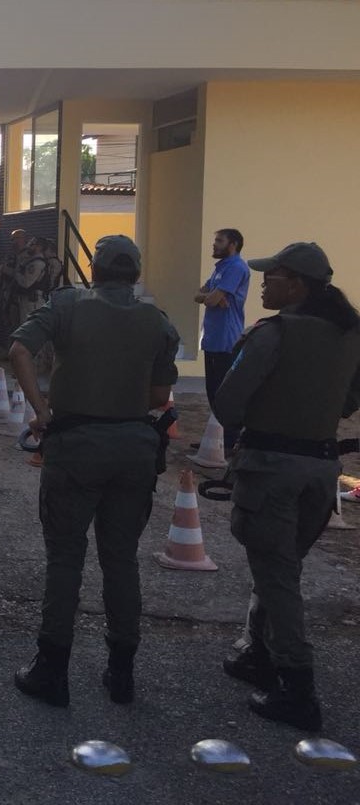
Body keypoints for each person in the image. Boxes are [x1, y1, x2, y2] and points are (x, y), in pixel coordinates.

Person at [8, 235, 179, 708]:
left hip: (76, 445)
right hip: (134, 448)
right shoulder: (156, 321)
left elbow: (20, 349)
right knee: (121, 559)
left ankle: (52, 670)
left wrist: (41, 410)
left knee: (66, 558)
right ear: (136, 273)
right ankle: (121, 672)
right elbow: (158, 396)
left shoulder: (67, 306)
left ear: (95, 269)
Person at [213, 242, 360, 732]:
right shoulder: (349, 333)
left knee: (277, 575)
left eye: (271, 277)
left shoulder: (272, 334)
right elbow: (348, 403)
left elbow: (229, 404)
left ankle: (298, 687)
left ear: (295, 284)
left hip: (272, 468)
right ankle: (258, 651)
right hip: (322, 470)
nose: (263, 284)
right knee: (278, 565)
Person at [195, 228, 250, 451]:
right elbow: (199, 294)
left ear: (233, 244)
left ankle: (229, 440)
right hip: (212, 337)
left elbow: (210, 299)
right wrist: (211, 297)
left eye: (219, 241)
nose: (214, 244)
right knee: (213, 391)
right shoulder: (221, 268)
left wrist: (212, 297)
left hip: (227, 339)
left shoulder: (236, 267)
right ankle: (216, 438)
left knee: (223, 392)